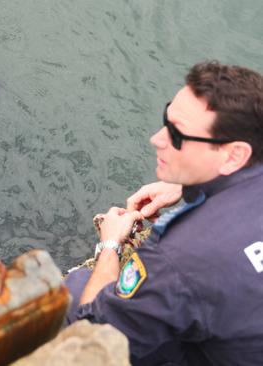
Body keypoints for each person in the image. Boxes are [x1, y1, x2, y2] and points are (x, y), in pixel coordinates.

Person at [65, 61, 263, 365]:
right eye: (166, 119)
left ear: (235, 154)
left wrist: (110, 245)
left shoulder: (180, 258)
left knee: (75, 290)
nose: (156, 139)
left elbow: (93, 344)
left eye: (177, 134)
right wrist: (186, 186)